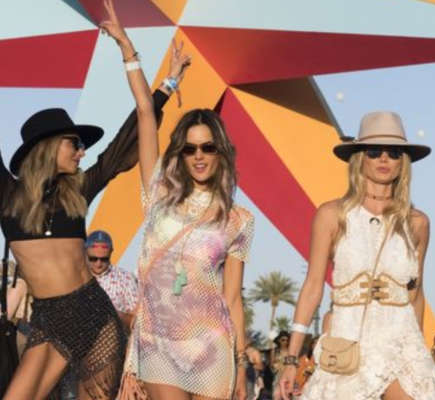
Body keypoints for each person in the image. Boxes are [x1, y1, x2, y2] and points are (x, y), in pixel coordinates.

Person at [0, 1, 184, 397]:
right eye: (73, 143)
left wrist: (167, 86)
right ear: (47, 147)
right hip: (48, 320)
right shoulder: (7, 194)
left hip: (93, 315)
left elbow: (123, 143)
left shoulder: (78, 190)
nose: (81, 151)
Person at [110, 0, 255, 396]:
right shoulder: (159, 194)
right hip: (158, 344)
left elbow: (232, 299)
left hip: (213, 347)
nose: (199, 156)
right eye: (190, 149)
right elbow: (145, 113)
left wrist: (242, 363)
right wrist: (129, 51)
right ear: (180, 154)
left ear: (221, 153)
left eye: (208, 147)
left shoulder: (239, 219)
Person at [278, 111, 435, 400]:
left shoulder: (417, 223)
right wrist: (292, 359)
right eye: (374, 151)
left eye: (394, 153)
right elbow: (312, 286)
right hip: (348, 341)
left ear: (403, 163)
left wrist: (419, 352)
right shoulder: (332, 215)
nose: (384, 159)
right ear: (360, 158)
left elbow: (416, 293)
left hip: (401, 340)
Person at [85, 230, 138, 330]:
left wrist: (115, 315)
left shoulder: (125, 278)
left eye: (104, 259)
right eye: (93, 259)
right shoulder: (76, 276)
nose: (98, 264)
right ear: (85, 252)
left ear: (111, 252)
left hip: (114, 336)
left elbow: (138, 321)